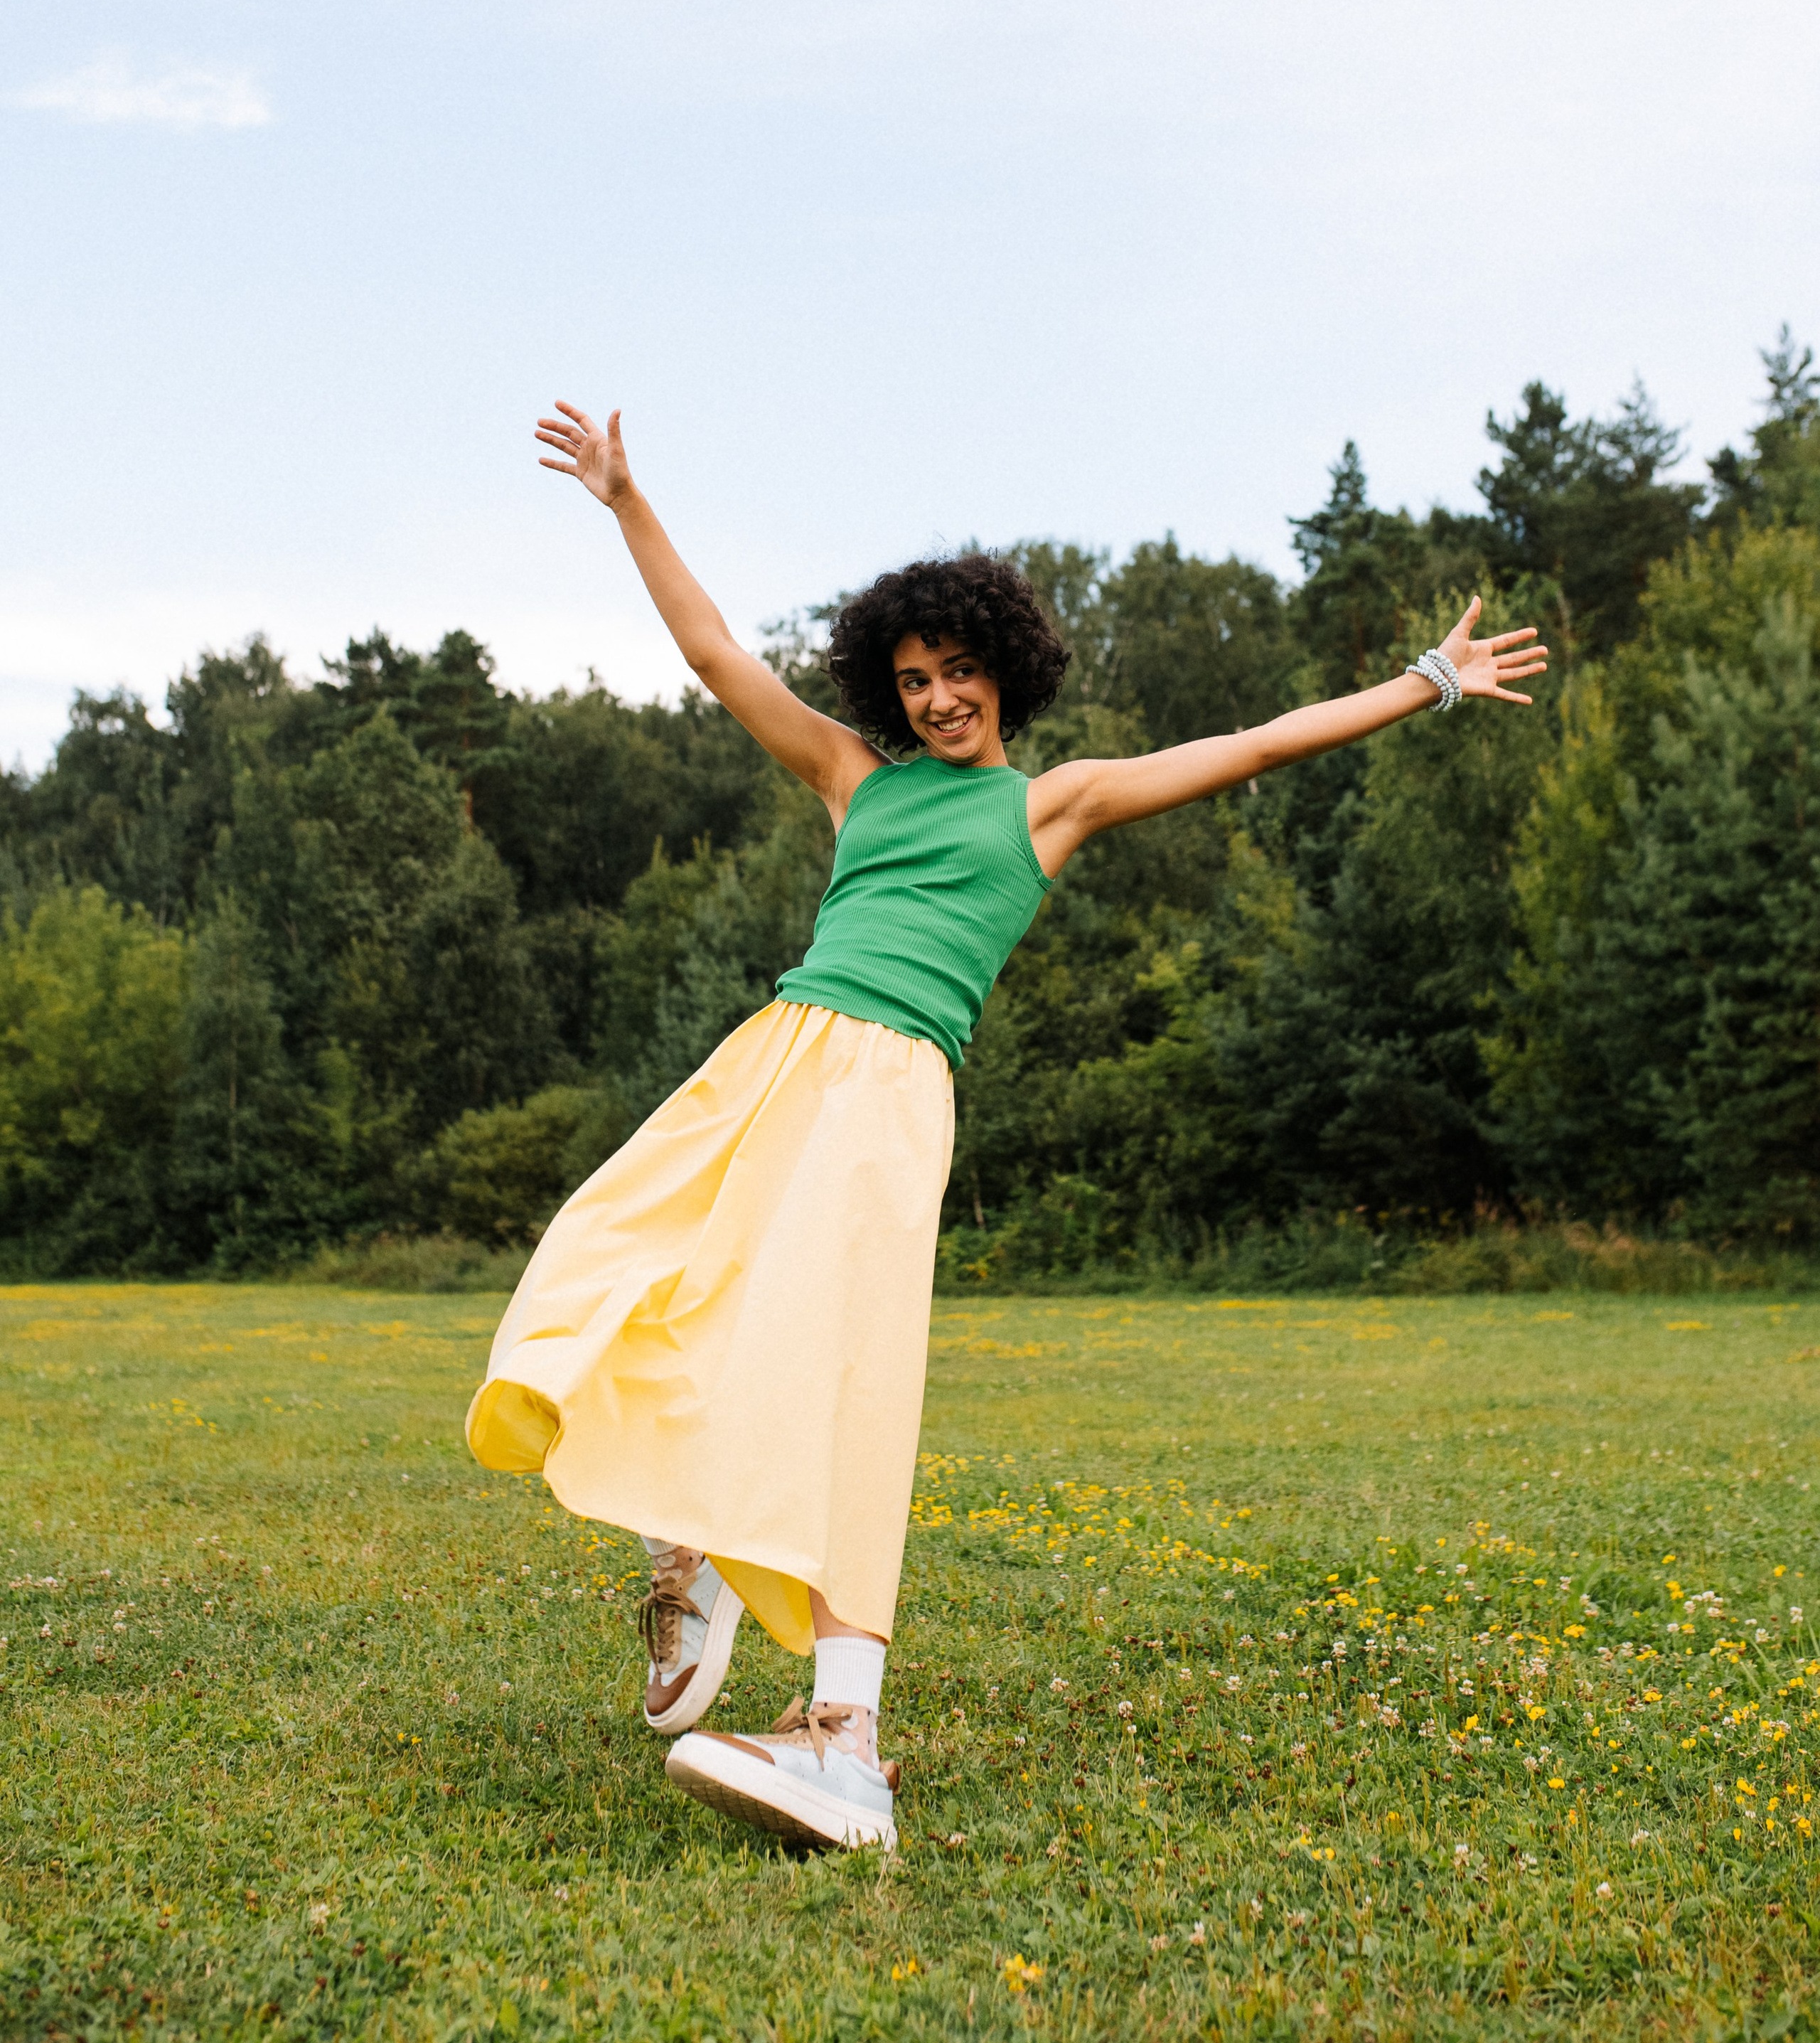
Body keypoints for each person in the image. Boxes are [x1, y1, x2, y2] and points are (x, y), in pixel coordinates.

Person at [466, 400, 1547, 1852]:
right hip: (772, 1057)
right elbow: (717, 652)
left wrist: (1421, 682)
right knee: (626, 1254)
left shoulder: (1047, 807)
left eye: (957, 670)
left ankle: (840, 1739)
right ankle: (698, 1549)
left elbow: (1248, 744)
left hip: (889, 1089)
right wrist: (623, 501)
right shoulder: (852, 784)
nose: (933, 698)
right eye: (910, 678)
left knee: (841, 1376)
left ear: (1004, 672)